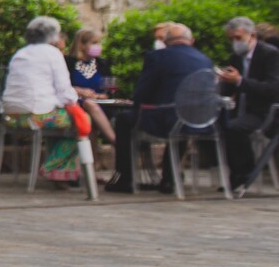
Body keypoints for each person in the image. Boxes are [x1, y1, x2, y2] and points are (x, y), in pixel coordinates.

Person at [107, 22, 214, 193]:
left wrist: (136, 103)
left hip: (164, 117)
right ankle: (169, 178)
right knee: (182, 120)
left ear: (166, 41)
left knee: (124, 120)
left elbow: (143, 92)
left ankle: (126, 178)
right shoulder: (205, 60)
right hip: (200, 120)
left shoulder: (157, 57)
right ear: (191, 40)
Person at [0, 16, 95, 186]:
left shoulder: (20, 54)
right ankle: (53, 168)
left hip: (11, 116)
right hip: (36, 115)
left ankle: (60, 177)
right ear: (53, 36)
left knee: (59, 120)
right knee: (83, 120)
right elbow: (65, 91)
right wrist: (75, 99)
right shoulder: (52, 54)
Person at [218, 16, 279, 187]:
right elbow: (229, 90)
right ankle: (235, 172)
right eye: (231, 39)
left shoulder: (269, 54)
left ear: (251, 35)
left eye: (238, 38)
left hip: (264, 110)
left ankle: (244, 173)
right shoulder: (235, 58)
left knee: (234, 128)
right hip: (240, 109)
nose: (235, 43)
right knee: (218, 125)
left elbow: (272, 88)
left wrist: (239, 81)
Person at [66, 28, 120, 149]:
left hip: (100, 105)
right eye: (94, 43)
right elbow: (62, 86)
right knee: (90, 106)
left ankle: (93, 164)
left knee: (92, 110)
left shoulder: (102, 64)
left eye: (99, 43)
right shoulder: (68, 62)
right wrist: (80, 91)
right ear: (82, 45)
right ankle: (116, 142)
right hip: (76, 103)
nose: (98, 46)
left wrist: (97, 96)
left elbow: (109, 92)